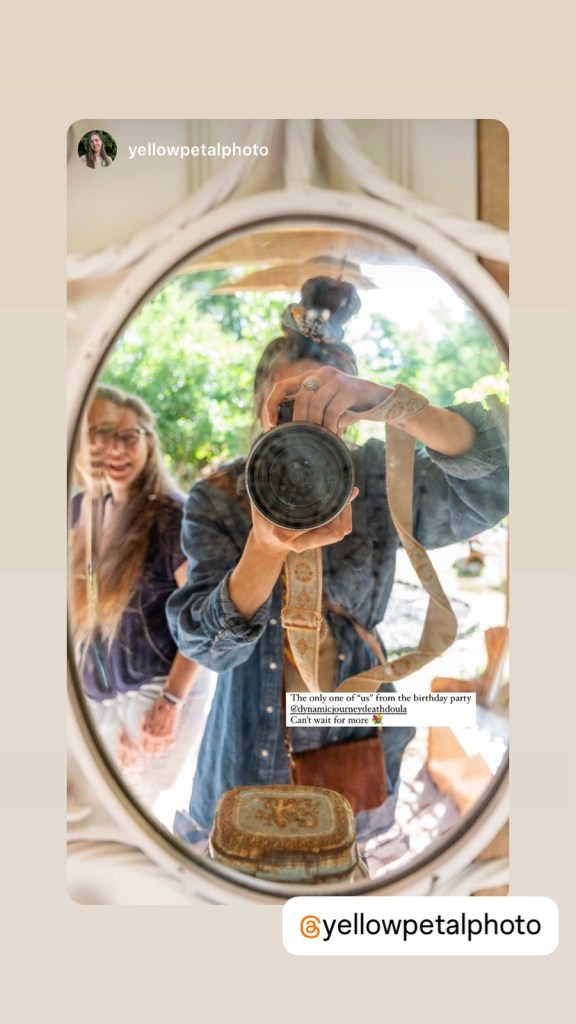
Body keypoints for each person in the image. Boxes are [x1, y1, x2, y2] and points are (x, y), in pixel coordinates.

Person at [166, 277, 509, 846]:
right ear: (260, 405)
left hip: (353, 727)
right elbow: (205, 646)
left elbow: (502, 478)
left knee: (344, 866)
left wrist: (391, 403)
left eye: (326, 406)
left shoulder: (378, 475)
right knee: (244, 860)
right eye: (289, 405)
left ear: (351, 414)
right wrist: (264, 548)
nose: (307, 425)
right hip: (249, 732)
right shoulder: (221, 497)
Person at [70, 386, 205, 805]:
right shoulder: (81, 509)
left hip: (157, 692)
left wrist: (170, 702)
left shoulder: (173, 517)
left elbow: (205, 622)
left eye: (130, 437)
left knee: (128, 810)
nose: (117, 449)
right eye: (104, 436)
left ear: (150, 442)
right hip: (97, 693)